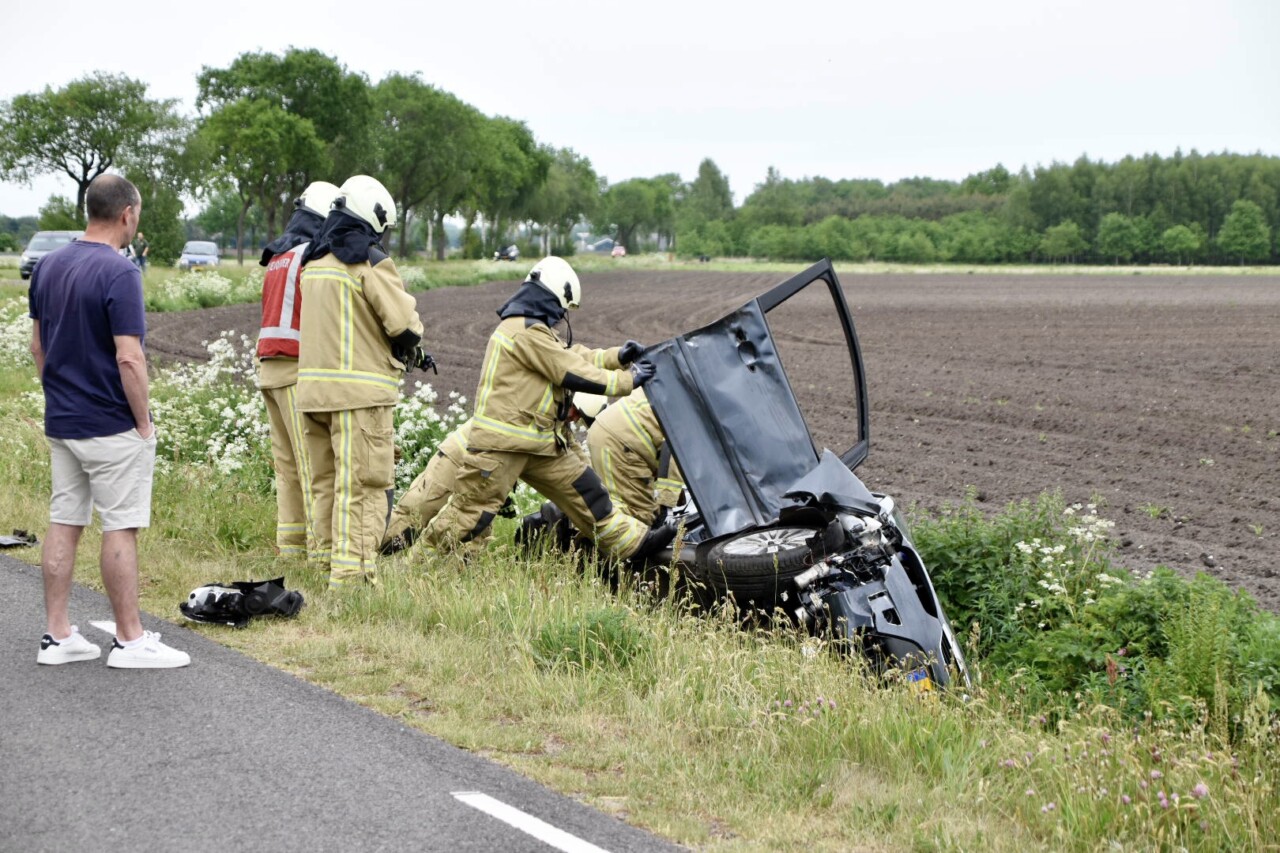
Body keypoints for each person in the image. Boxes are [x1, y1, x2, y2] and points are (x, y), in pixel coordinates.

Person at [27, 174, 189, 668]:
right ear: (128, 214)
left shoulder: (48, 266)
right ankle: (129, 639)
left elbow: (37, 346)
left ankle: (59, 636)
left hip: (64, 420)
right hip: (111, 423)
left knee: (64, 520)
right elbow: (130, 359)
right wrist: (143, 423)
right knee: (120, 526)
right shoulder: (120, 273)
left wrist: (57, 394)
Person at [418, 257, 670, 563]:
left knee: (589, 494)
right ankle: (418, 564)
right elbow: (569, 371)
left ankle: (632, 545)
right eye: (563, 308)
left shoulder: (536, 332)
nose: (562, 316)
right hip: (503, 445)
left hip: (539, 442)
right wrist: (627, 380)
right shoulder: (521, 331)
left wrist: (617, 356)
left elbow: (571, 357)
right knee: (470, 513)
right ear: (552, 296)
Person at [295, 175, 425, 589]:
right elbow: (405, 326)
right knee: (365, 484)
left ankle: (323, 562)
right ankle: (351, 577)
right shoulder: (367, 261)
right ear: (375, 217)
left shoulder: (313, 262)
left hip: (312, 393)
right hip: (360, 394)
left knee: (325, 482)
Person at [256, 181, 343, 559]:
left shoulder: (278, 254)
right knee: (313, 468)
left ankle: (290, 546)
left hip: (268, 369)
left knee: (287, 467)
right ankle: (320, 551)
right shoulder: (310, 255)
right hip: (295, 369)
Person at [581, 388, 685, 526]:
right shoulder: (692, 411)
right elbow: (674, 455)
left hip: (607, 432)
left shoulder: (676, 390)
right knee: (642, 517)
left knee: (617, 502)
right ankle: (575, 528)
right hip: (618, 441)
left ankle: (576, 524)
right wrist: (666, 504)